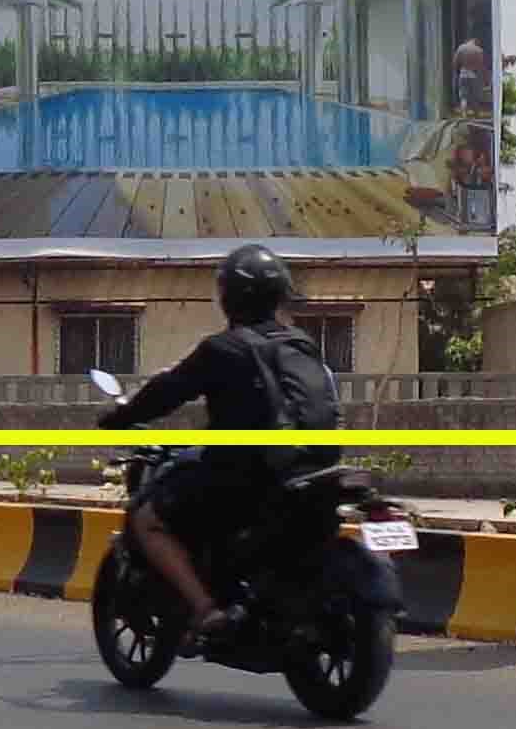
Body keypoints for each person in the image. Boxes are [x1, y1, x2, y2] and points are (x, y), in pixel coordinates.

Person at [99, 246, 343, 640]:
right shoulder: (301, 344)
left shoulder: (221, 349)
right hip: (317, 468)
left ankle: (206, 609)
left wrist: (118, 418)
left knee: (148, 519)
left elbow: (167, 391)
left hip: (250, 475)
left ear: (227, 296)